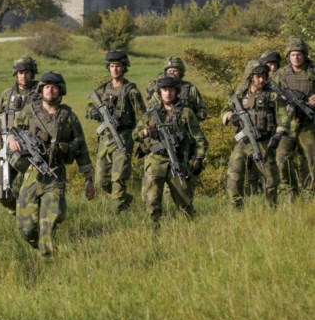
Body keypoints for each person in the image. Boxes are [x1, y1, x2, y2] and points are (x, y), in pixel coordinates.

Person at [7, 72, 95, 256]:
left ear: (60, 90)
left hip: (54, 175)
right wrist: (11, 139)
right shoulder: (29, 112)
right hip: (30, 174)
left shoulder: (68, 116)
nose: (50, 90)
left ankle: (49, 261)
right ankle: (40, 247)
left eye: (54, 87)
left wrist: (89, 179)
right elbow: (12, 130)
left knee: (48, 225)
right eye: (47, 86)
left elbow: (82, 148)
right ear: (41, 89)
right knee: (27, 229)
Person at [134, 76, 207, 230]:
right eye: (164, 90)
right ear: (159, 92)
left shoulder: (186, 113)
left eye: (171, 90)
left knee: (185, 203)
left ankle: (193, 233)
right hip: (155, 162)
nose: (168, 93)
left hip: (178, 162)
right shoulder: (151, 114)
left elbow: (199, 138)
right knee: (152, 201)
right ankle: (153, 233)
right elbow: (135, 134)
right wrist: (147, 131)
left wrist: (198, 159)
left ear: (176, 92)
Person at [85, 50, 146, 214]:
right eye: (112, 66)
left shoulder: (131, 91)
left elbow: (143, 118)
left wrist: (142, 141)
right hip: (105, 139)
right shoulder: (103, 89)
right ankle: (125, 199)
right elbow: (89, 106)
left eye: (118, 66)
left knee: (118, 179)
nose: (115, 70)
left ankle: (116, 214)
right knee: (102, 181)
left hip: (123, 138)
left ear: (124, 68)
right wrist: (93, 112)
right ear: (108, 68)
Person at [221, 61, 288, 208]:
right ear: (251, 77)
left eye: (264, 76)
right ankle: (237, 208)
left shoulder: (272, 95)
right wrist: (230, 116)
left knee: (270, 178)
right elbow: (225, 111)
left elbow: (283, 117)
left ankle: (271, 208)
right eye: (258, 77)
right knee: (234, 175)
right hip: (243, 142)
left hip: (264, 142)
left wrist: (278, 135)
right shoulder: (240, 94)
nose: (261, 80)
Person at [0, 55, 39, 213]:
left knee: (33, 190)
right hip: (7, 149)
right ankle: (19, 212)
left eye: (27, 72)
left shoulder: (41, 93)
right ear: (15, 74)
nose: (24, 76)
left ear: (32, 73)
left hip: (32, 150)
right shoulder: (7, 95)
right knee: (0, 191)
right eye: (20, 72)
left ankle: (31, 216)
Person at [274, 38, 315, 200]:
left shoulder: (312, 72)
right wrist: (281, 98)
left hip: (309, 125)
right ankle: (292, 190)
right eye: (293, 54)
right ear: (288, 56)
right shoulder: (281, 75)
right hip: (287, 125)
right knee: (281, 159)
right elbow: (269, 93)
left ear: (304, 55)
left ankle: (310, 194)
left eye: (299, 54)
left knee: (312, 161)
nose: (296, 57)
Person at [146, 57, 209, 121]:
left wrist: (192, 121)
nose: (172, 73)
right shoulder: (160, 89)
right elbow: (149, 109)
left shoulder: (191, 89)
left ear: (181, 73)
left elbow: (202, 110)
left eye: (175, 71)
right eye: (169, 71)